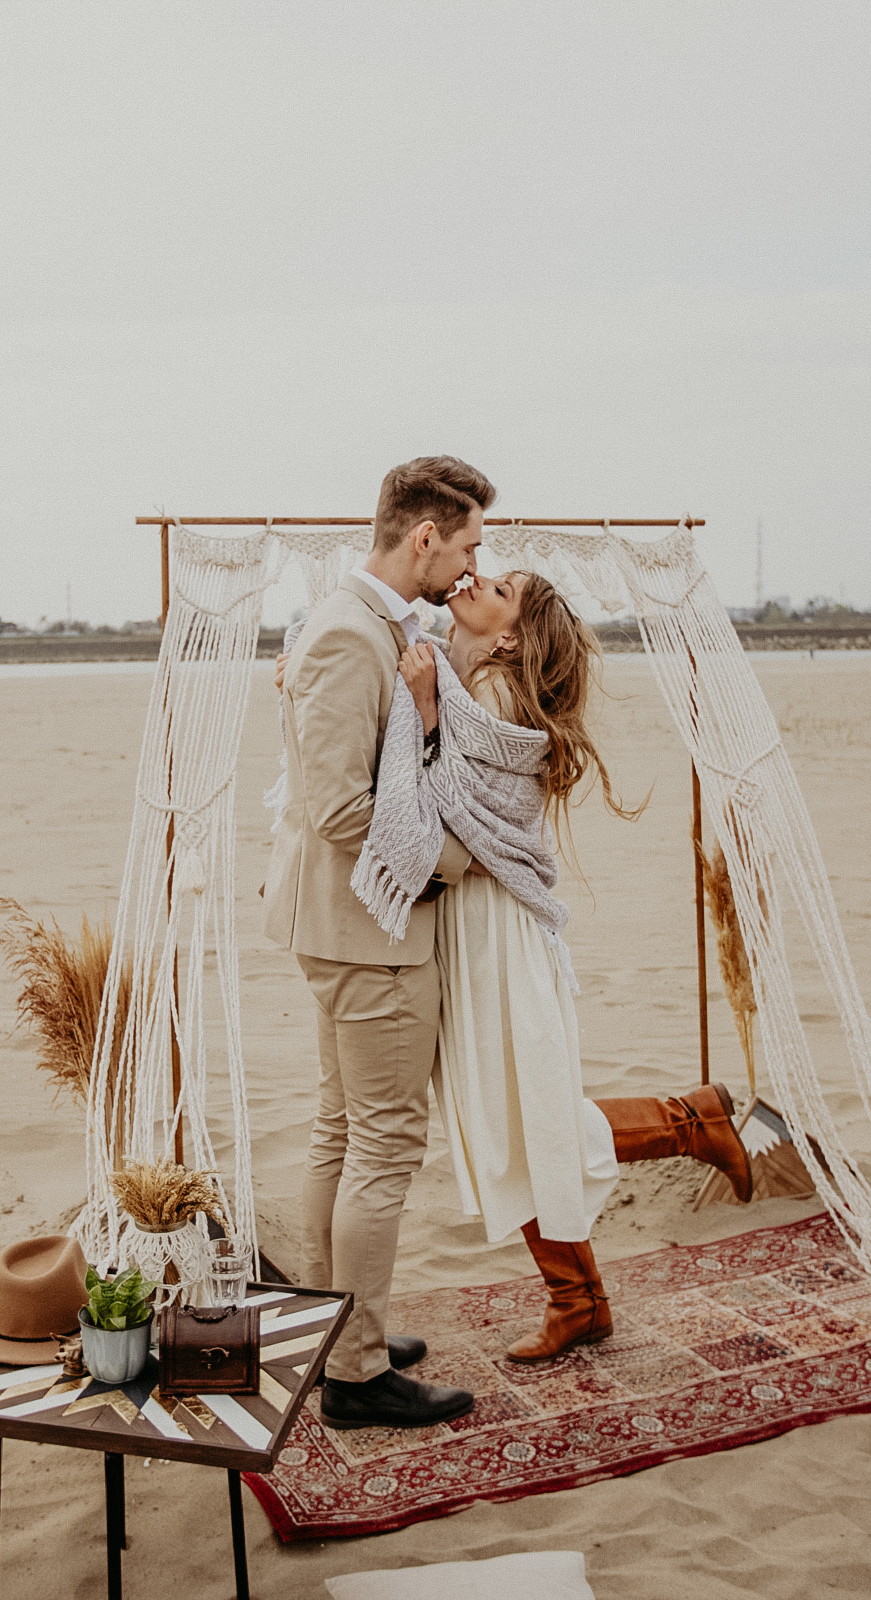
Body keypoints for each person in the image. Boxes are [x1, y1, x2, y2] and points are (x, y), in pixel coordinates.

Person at [390, 569, 753, 1363]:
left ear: (511, 633)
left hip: (498, 927)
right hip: (472, 917)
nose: (478, 576)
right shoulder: (467, 676)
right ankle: (581, 1299)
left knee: (526, 1119)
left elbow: (456, 805)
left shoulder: (496, 699)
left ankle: (688, 1125)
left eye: (503, 586)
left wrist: (421, 711)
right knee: (510, 1120)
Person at [263, 456, 492, 1431]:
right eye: (470, 542)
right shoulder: (345, 638)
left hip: (346, 923)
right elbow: (338, 808)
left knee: (344, 1129)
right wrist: (457, 859)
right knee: (383, 1143)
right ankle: (355, 1374)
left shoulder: (382, 626)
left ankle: (335, 1327)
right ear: (423, 536)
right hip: (369, 930)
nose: (477, 562)